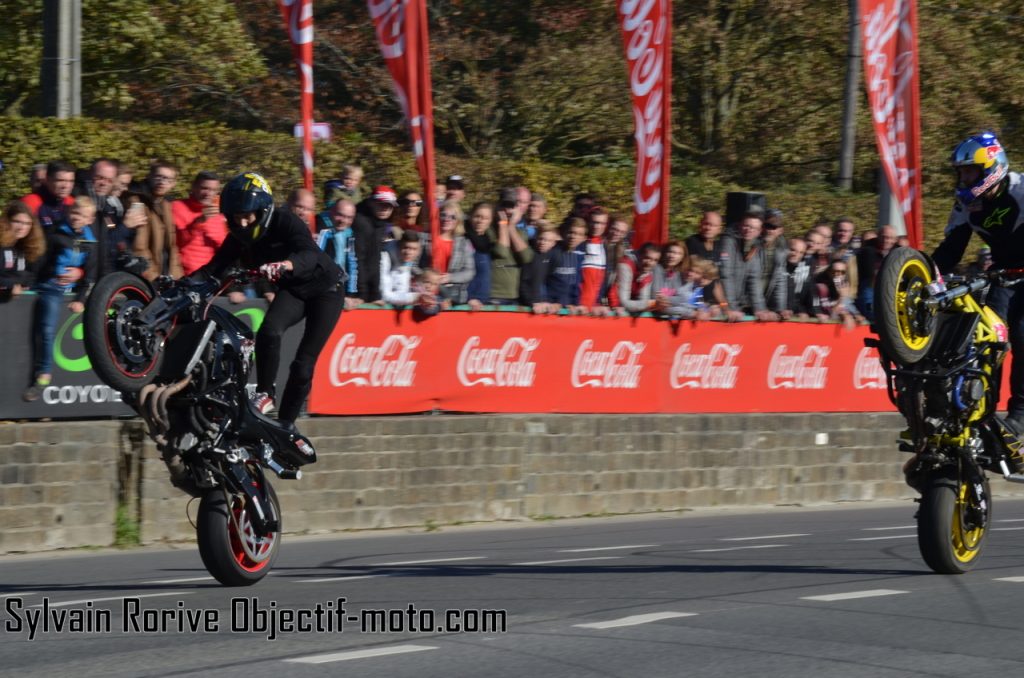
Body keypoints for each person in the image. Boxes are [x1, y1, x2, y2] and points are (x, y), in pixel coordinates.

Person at [191, 172, 344, 431]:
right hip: (294, 290)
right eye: (235, 217)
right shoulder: (238, 236)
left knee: (303, 364)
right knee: (269, 331)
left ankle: (287, 423)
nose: (241, 223)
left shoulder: (286, 220)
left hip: (326, 290)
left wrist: (287, 264)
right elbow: (212, 269)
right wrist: (182, 283)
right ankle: (266, 393)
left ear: (262, 211)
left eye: (247, 216)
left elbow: (309, 252)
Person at [932, 132, 1024, 427]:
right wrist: (927, 274)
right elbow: (951, 249)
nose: (965, 179)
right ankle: (983, 408)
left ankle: (1021, 415)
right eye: (962, 172)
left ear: (991, 167)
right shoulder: (966, 205)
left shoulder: (1020, 190)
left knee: (1022, 336)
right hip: (1004, 276)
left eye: (970, 171)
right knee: (988, 337)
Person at [24, 196, 97, 401]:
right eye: (74, 213)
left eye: (82, 216)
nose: (77, 218)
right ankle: (44, 374)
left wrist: (81, 299)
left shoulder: (90, 243)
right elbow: (40, 261)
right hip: (50, 287)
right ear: (68, 212)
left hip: (72, 293)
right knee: (46, 330)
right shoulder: (55, 234)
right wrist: (29, 282)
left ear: (90, 219)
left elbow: (90, 275)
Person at [133, 161, 183, 281]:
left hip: (166, 275)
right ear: (149, 177)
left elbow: (171, 245)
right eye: (158, 177)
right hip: (149, 278)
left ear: (173, 184)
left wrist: (178, 276)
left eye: (168, 179)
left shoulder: (166, 205)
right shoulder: (137, 202)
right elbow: (139, 247)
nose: (162, 182)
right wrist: (153, 276)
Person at [172, 171, 228, 276]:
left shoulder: (218, 215)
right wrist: (199, 222)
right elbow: (176, 243)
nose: (208, 194)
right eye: (204, 188)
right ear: (194, 187)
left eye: (213, 190)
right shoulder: (177, 207)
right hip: (187, 277)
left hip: (213, 277)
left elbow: (224, 249)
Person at [354, 186, 399, 304]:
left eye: (389, 206)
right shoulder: (361, 223)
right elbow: (358, 260)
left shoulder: (380, 224)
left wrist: (375, 294)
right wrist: (362, 294)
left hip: (366, 290)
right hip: (354, 291)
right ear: (371, 203)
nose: (385, 209)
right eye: (381, 204)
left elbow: (375, 260)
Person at [425, 201, 475, 305]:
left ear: (458, 221)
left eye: (452, 217)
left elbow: (470, 272)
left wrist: (450, 277)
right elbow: (413, 265)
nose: (447, 219)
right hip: (426, 293)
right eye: (443, 215)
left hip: (451, 296)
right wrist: (428, 277)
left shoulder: (464, 243)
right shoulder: (425, 239)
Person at [316, 198, 361, 309]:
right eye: (340, 215)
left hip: (340, 290)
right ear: (332, 211)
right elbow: (317, 260)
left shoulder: (350, 234)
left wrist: (350, 293)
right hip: (322, 291)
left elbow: (352, 263)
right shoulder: (322, 231)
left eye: (349, 217)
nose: (343, 220)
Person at [0, 201, 46, 302]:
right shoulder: (2, 246)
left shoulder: (26, 248)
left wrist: (20, 282)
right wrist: (12, 284)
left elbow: (31, 277)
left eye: (27, 223)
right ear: (6, 221)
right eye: (17, 222)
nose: (22, 228)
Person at [20, 160, 76, 232]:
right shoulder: (31, 202)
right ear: (48, 180)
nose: (66, 186)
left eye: (71, 181)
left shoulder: (71, 203)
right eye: (60, 180)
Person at [465, 202, 494, 310]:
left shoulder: (489, 242)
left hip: (484, 301)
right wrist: (469, 297)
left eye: (485, 218)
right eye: (477, 216)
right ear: (471, 217)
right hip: (469, 302)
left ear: (490, 221)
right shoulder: (464, 240)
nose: (480, 221)